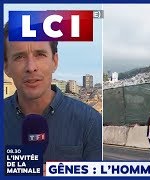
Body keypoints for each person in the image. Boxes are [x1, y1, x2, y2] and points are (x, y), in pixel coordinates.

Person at [3, 22, 102, 161]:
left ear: (54, 61)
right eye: (19, 57)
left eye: (40, 54)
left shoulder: (90, 122)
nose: (31, 67)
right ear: (6, 67)